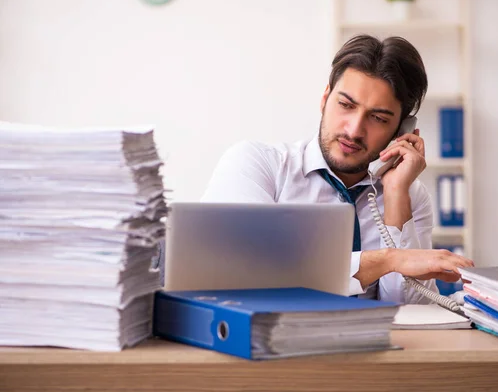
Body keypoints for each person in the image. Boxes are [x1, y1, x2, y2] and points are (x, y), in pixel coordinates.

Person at [200, 34, 474, 304]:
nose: (354, 130)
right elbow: (240, 270)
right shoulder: (257, 164)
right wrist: (388, 260)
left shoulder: (410, 196)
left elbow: (410, 312)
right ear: (325, 98)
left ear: (400, 130)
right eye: (345, 105)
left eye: (378, 118)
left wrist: (395, 194)